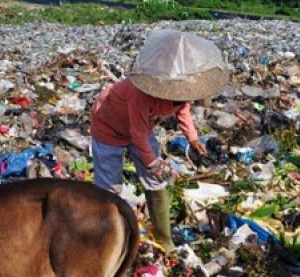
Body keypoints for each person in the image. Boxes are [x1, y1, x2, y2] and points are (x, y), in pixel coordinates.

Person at [90, 29, 229, 252]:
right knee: (110, 187)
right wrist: (154, 163)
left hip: (142, 131)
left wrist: (192, 138)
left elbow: (183, 111)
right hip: (109, 128)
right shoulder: (140, 92)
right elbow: (137, 134)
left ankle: (164, 237)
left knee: (156, 181)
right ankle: (105, 237)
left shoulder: (180, 90)